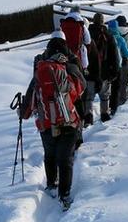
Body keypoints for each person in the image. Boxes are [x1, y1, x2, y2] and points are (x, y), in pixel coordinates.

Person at [20, 36, 86, 210]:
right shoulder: (68, 67)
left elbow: (28, 101)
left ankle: (51, 185)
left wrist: (23, 113)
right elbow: (80, 88)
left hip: (46, 123)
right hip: (69, 121)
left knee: (50, 155)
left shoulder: (40, 71)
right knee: (65, 160)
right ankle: (64, 196)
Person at [86, 12, 119, 123]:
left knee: (89, 96)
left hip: (89, 70)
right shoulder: (108, 35)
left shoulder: (87, 35)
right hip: (104, 71)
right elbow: (114, 55)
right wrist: (114, 71)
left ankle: (88, 116)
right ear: (103, 21)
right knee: (105, 95)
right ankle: (104, 114)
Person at [107, 19, 128, 115]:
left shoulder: (105, 37)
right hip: (118, 66)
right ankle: (115, 107)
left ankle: (107, 106)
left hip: (107, 66)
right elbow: (126, 54)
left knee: (108, 87)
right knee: (117, 86)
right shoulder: (120, 39)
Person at [60, 6, 90, 71]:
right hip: (77, 51)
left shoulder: (64, 22)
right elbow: (88, 40)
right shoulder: (81, 23)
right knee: (78, 68)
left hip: (65, 50)